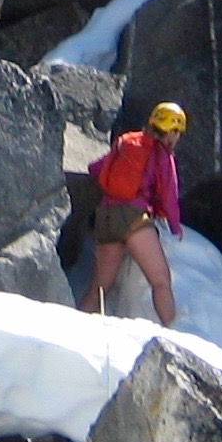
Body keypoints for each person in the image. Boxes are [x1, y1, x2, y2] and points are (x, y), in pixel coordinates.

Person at [81, 101, 188, 326]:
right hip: (133, 217)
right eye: (177, 133)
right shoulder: (162, 155)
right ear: (173, 131)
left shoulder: (127, 142)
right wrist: (175, 226)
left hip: (106, 217)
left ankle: (74, 329)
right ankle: (174, 334)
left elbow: (95, 168)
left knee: (98, 290)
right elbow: (169, 195)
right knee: (160, 281)